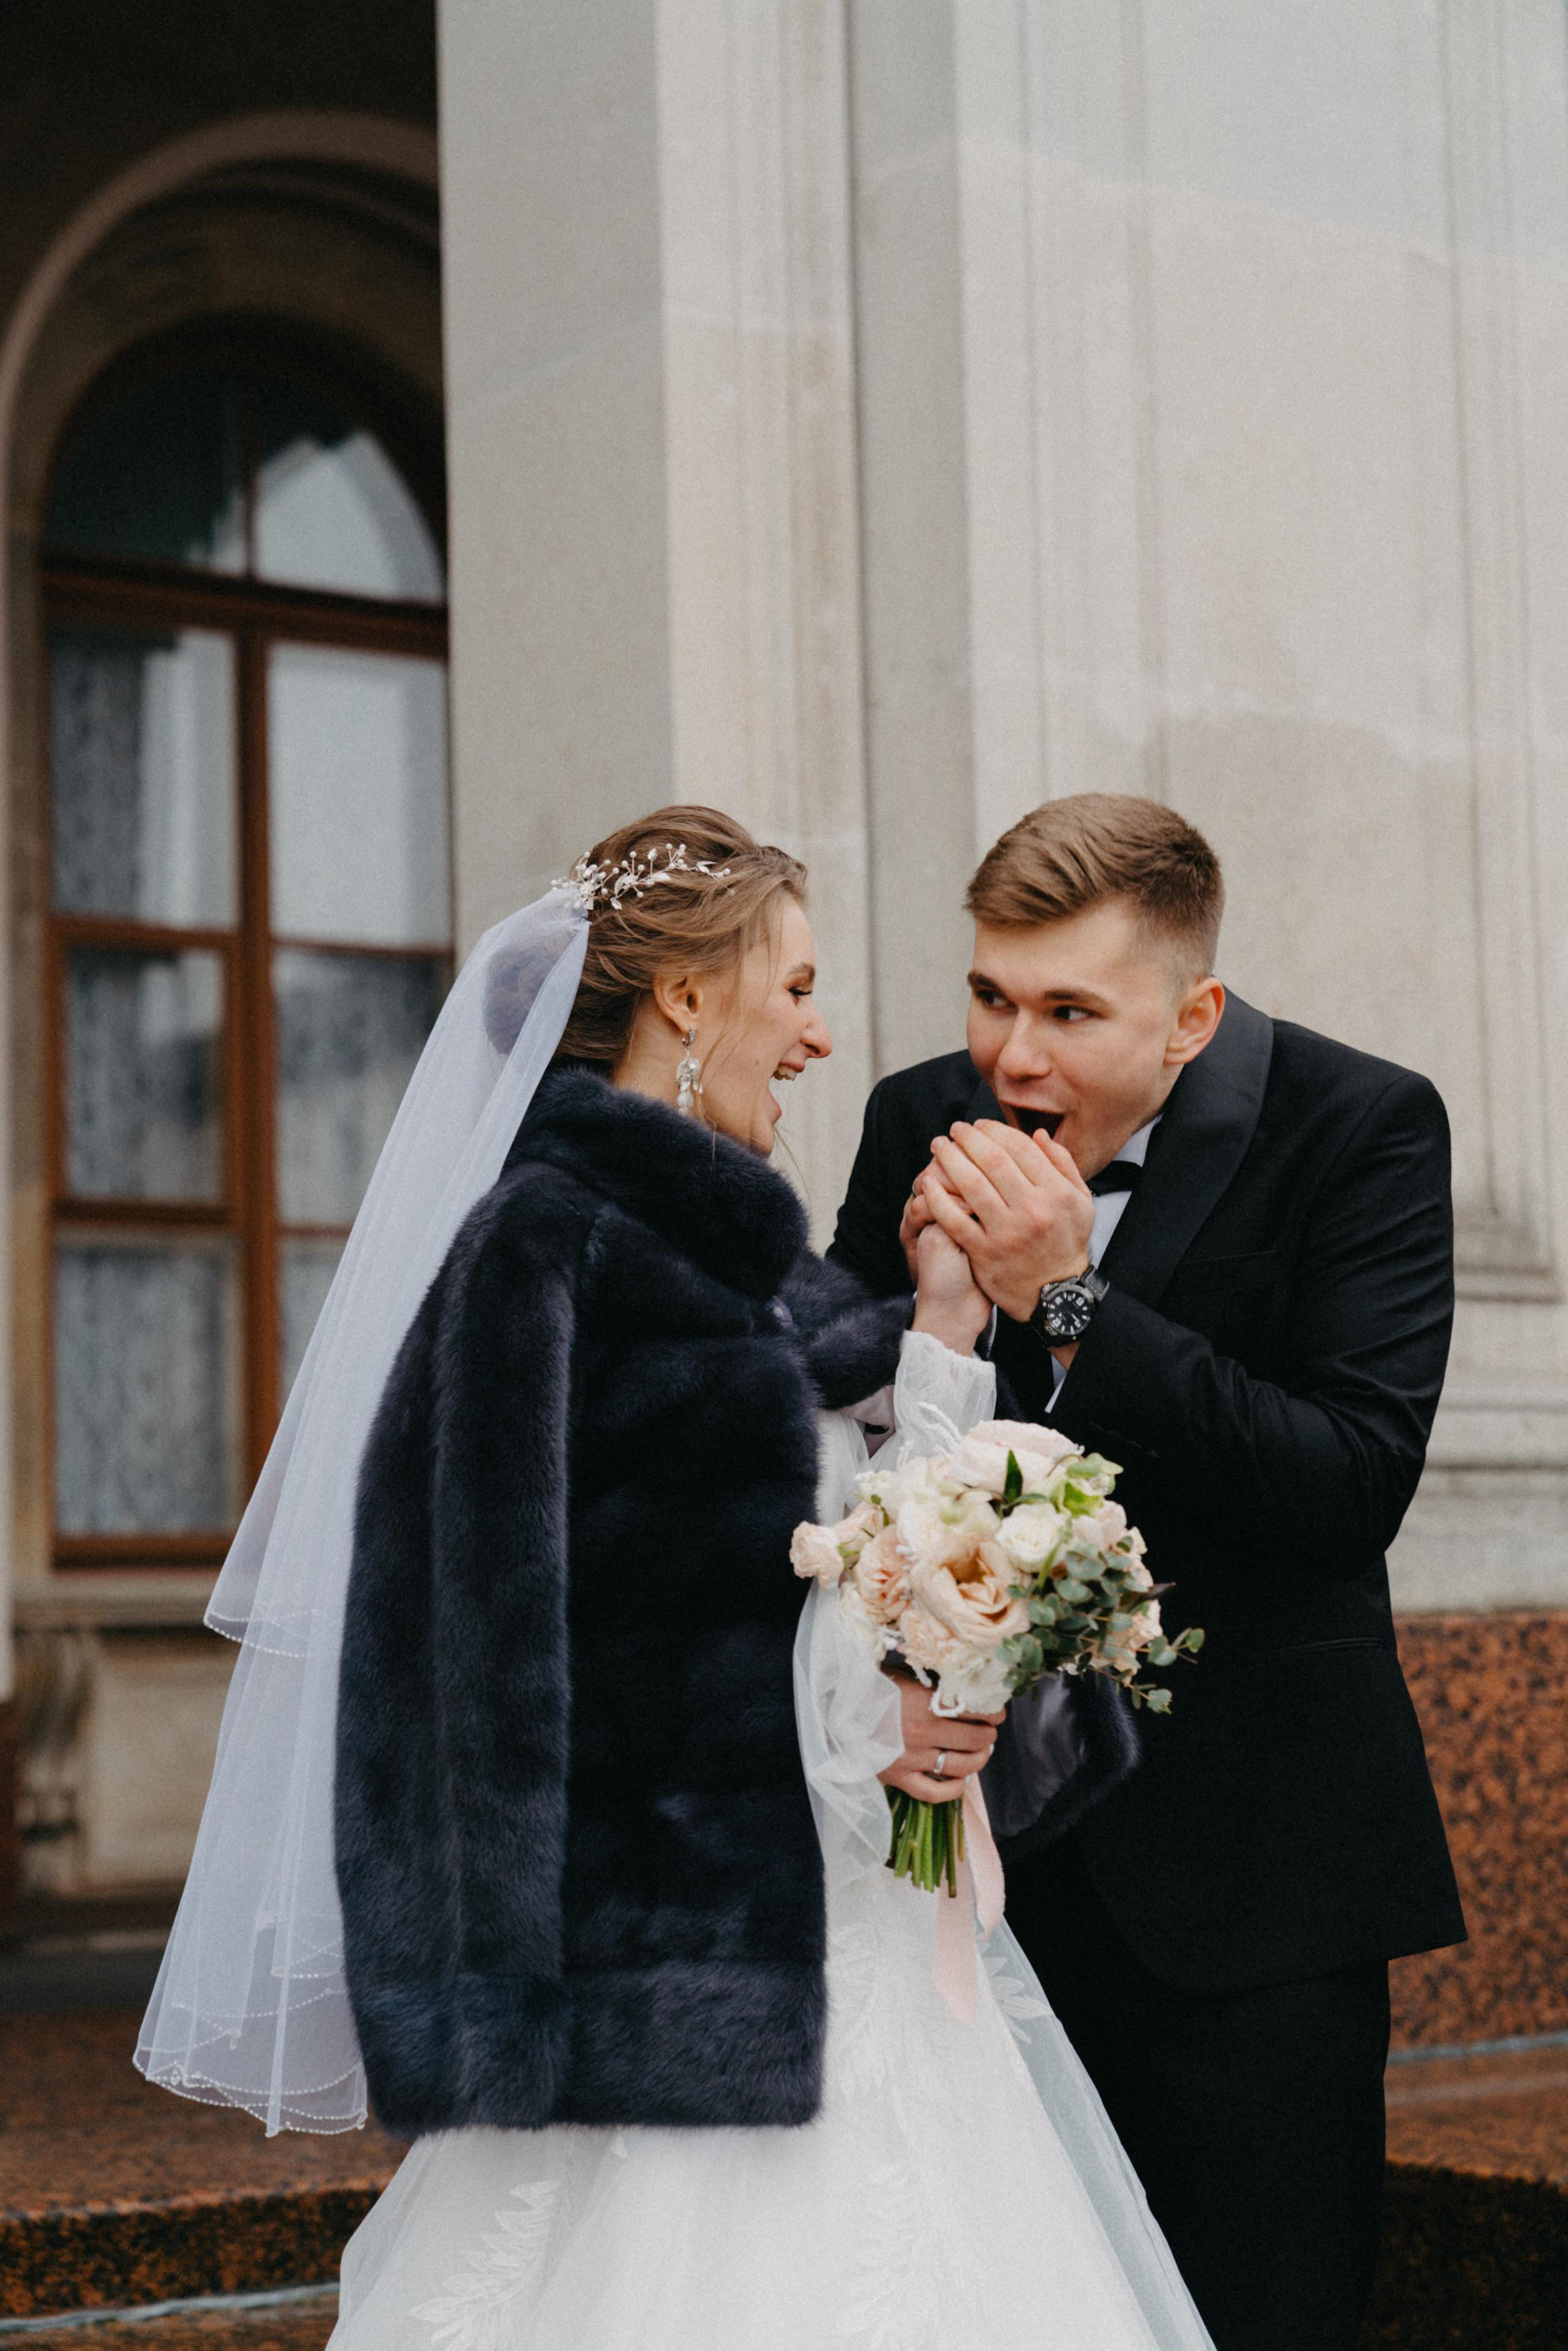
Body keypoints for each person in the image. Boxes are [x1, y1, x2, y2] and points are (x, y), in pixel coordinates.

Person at [138, 805, 1215, 2350]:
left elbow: (846, 1545)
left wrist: (945, 1350)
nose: (822, 1032)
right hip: (688, 1993)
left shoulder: (760, 1268)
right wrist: (863, 1740)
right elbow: (516, 1651)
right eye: (793, 987)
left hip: (866, 1965)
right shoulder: (545, 1248)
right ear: (688, 999)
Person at [828, 791, 1465, 2351]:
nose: (1011, 1058)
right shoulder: (919, 1108)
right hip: (967, 1894)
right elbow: (851, 1472)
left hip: (1253, 1887)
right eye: (988, 993)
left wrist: (1072, 1300)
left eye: (1067, 1011)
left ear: (1190, 1014)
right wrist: (923, 1336)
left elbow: (1343, 1485)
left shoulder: (1363, 1123)